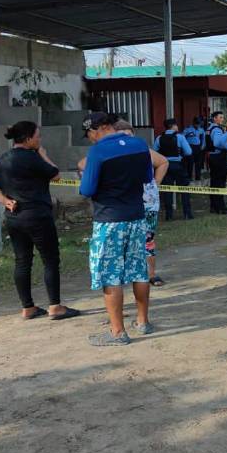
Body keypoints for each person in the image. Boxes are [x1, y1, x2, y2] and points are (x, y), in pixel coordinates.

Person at [0, 121, 80, 321]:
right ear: (28, 138)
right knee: (50, 260)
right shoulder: (32, 157)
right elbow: (55, 174)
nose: (40, 140)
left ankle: (27, 307)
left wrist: (6, 201)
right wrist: (43, 154)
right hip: (37, 215)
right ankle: (55, 306)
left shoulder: (3, 160)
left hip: (14, 217)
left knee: (22, 261)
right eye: (38, 137)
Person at [80, 112, 153, 346]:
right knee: (139, 270)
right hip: (136, 216)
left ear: (100, 128)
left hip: (109, 219)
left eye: (90, 133)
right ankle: (143, 322)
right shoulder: (139, 144)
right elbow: (146, 177)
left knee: (110, 275)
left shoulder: (98, 151)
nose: (90, 138)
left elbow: (87, 189)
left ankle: (117, 332)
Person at [115, 120, 169, 286]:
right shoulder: (111, 153)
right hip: (122, 204)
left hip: (148, 204)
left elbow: (163, 162)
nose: (125, 140)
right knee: (122, 240)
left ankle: (151, 274)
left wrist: (155, 183)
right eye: (121, 136)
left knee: (148, 238)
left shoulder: (143, 150)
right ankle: (126, 273)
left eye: (128, 135)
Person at [154, 118, 193, 220]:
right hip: (179, 165)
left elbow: (154, 152)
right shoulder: (180, 137)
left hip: (165, 166)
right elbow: (189, 152)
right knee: (184, 189)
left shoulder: (159, 138)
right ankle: (187, 214)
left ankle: (169, 215)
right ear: (174, 126)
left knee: (167, 190)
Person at [206, 111, 227, 214]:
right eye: (220, 117)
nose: (222, 119)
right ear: (215, 119)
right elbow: (217, 143)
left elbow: (206, 144)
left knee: (214, 182)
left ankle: (213, 206)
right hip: (218, 157)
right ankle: (221, 207)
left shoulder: (208, 129)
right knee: (220, 182)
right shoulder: (217, 129)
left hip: (212, 156)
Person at [182, 117, 205, 181]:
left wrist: (203, 145)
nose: (197, 125)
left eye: (199, 124)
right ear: (193, 123)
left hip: (198, 147)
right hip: (190, 147)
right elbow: (182, 137)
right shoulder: (188, 129)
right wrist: (185, 146)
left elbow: (203, 138)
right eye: (196, 124)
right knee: (190, 163)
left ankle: (198, 177)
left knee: (198, 163)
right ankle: (189, 177)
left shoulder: (201, 130)